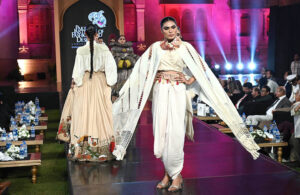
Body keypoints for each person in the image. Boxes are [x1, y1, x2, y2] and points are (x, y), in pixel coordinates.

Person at [112, 16, 260, 192]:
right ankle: (168, 174)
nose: (170, 30)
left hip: (177, 91)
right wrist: (151, 78)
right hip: (160, 90)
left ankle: (176, 176)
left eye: (173, 27)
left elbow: (202, 67)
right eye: (166, 28)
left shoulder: (186, 47)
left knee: (174, 132)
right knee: (161, 131)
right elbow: (140, 69)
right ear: (162, 31)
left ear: (177, 29)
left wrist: (189, 79)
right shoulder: (155, 48)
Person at [57, 24, 117, 162]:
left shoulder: (81, 50)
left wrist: (76, 82)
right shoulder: (104, 49)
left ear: (85, 34)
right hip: (100, 82)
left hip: (84, 83)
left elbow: (78, 71)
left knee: (83, 114)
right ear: (97, 34)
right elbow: (111, 69)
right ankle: (102, 149)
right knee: (100, 114)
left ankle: (82, 149)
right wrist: (110, 82)